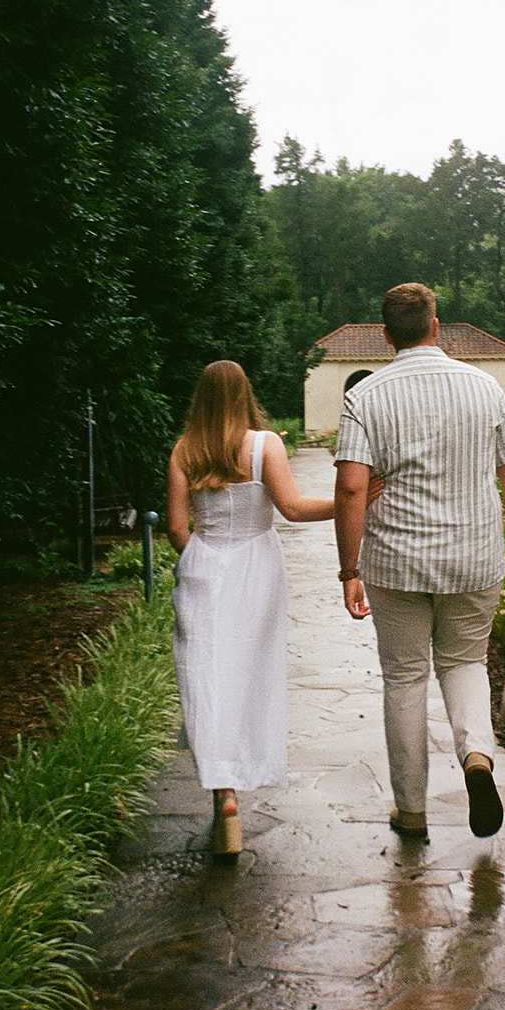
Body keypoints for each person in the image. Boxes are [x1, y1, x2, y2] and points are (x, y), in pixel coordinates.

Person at [333, 283, 505, 842]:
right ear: (436, 327)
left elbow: (351, 489)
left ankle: (411, 810)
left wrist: (349, 570)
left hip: (396, 562)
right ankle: (475, 758)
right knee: (465, 663)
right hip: (473, 558)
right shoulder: (485, 388)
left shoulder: (365, 397)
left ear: (384, 335)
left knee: (404, 677)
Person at [167, 360, 354, 858]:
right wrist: (350, 504)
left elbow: (176, 528)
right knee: (251, 674)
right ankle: (237, 779)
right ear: (244, 395)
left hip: (205, 566)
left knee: (206, 676)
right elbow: (292, 508)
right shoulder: (265, 445)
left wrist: (198, 557)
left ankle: (222, 793)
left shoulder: (185, 451)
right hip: (257, 569)